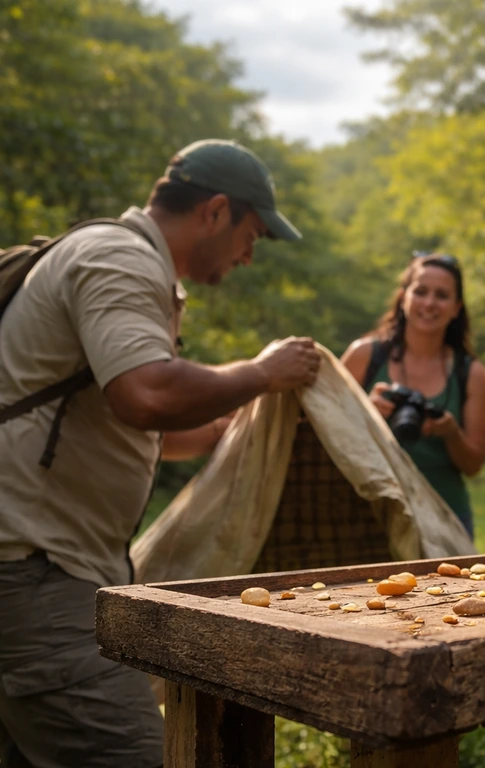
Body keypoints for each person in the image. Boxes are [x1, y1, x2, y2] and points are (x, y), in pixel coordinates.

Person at [0, 138, 321, 767]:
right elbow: (144, 394)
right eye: (251, 234)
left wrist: (218, 433)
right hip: (35, 573)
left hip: (33, 565)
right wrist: (260, 372)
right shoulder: (120, 259)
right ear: (215, 211)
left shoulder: (117, 257)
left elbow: (119, 417)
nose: (250, 255)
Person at [341, 252, 485, 539]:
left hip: (446, 516)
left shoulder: (470, 372)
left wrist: (450, 433)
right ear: (403, 297)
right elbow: (324, 430)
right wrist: (365, 413)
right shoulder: (365, 355)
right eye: (420, 291)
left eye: (442, 295)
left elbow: (473, 465)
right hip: (369, 514)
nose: (429, 303)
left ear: (456, 307)